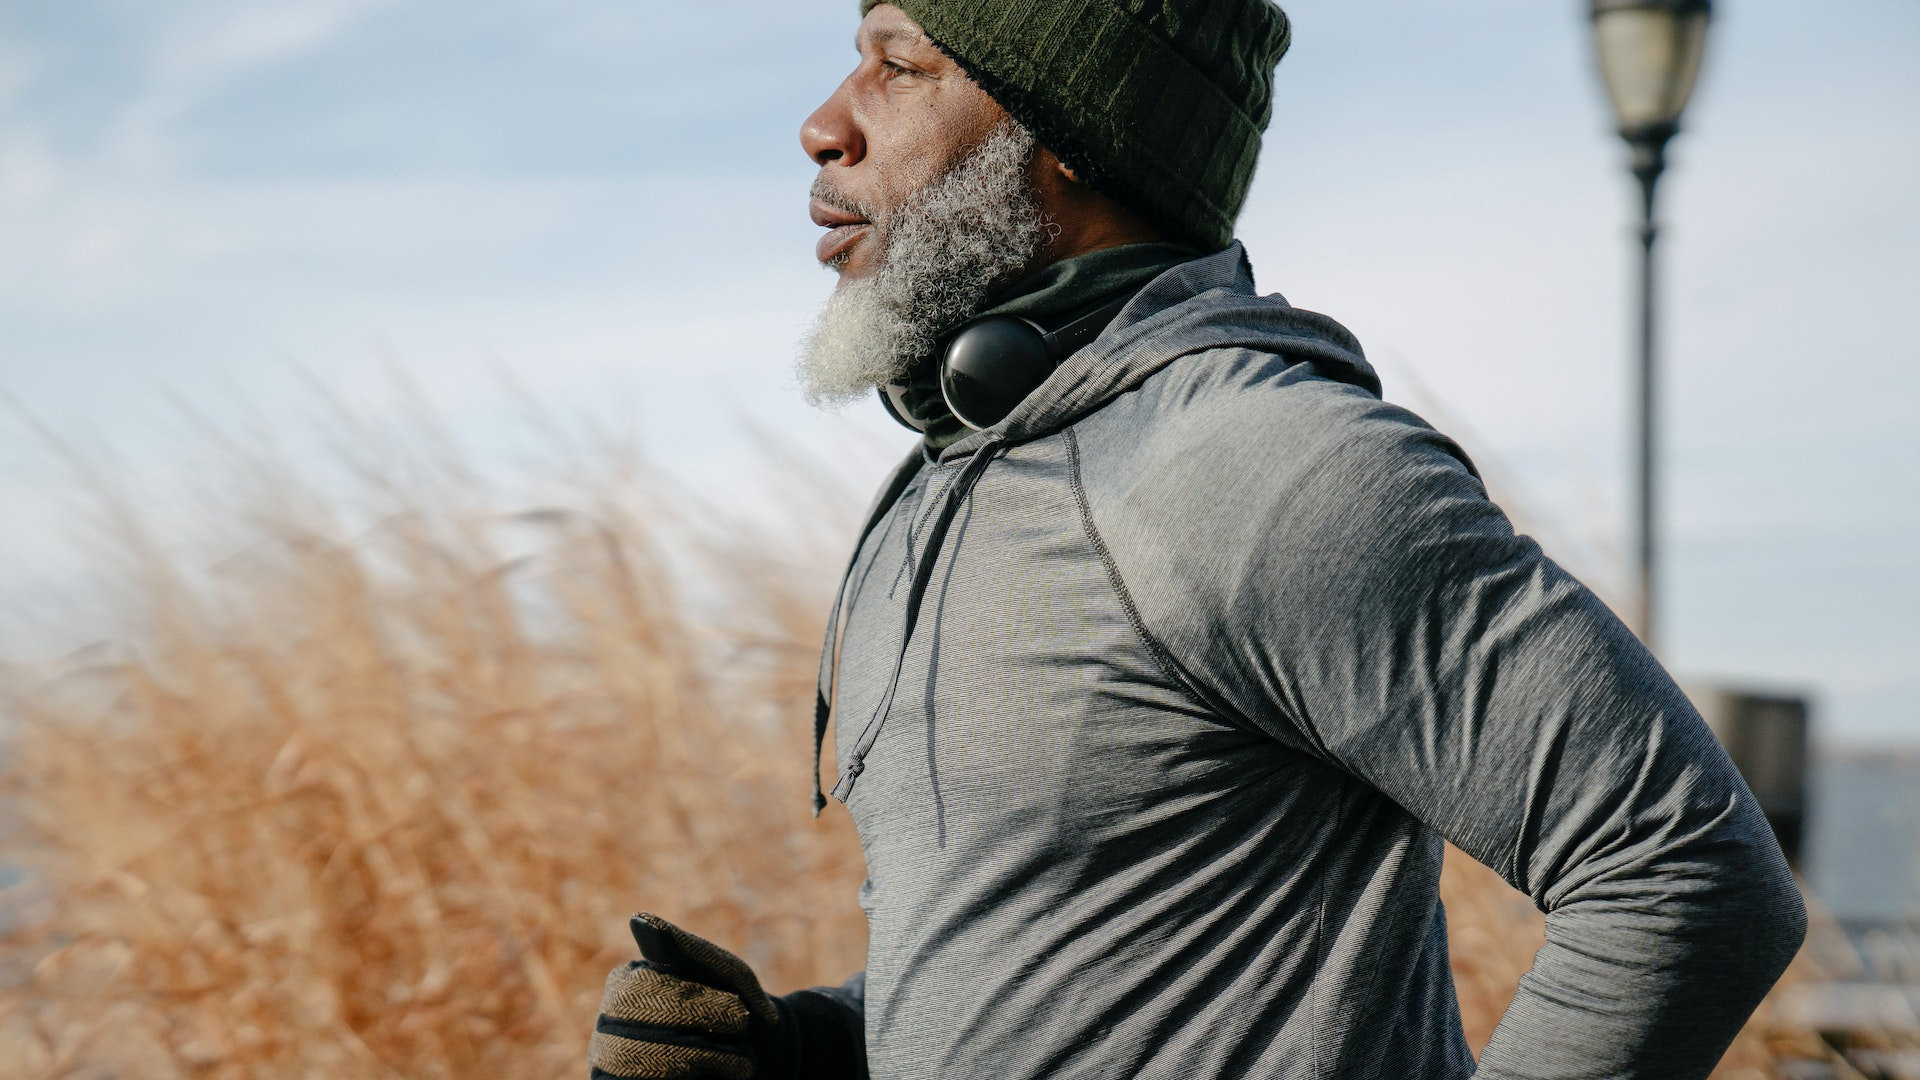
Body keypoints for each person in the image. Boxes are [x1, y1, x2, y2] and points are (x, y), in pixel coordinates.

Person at [586, 2, 1806, 1078]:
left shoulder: (1268, 464)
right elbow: (1061, 971)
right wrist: (796, 1049)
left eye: (898, 65)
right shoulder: (958, 483)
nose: (823, 124)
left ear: (1069, 135)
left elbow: (1688, 874)